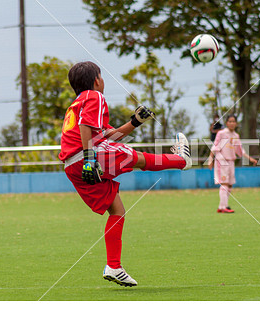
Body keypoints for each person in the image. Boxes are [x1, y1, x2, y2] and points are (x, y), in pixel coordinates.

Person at [59, 61, 192, 287]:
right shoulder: (95, 96)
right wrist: (91, 159)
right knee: (137, 157)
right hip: (86, 158)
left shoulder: (77, 103)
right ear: (97, 80)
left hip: (72, 166)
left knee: (117, 210)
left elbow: (107, 136)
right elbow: (85, 128)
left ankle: (114, 266)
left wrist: (134, 122)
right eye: (102, 76)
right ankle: (182, 160)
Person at [208, 115, 257, 213]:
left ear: (236, 123)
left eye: (233, 121)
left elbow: (240, 150)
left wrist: (250, 159)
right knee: (224, 183)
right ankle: (224, 207)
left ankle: (221, 207)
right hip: (222, 161)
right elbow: (215, 146)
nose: (232, 123)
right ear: (226, 123)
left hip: (231, 161)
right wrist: (210, 159)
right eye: (230, 121)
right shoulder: (221, 133)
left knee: (230, 184)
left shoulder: (235, 135)